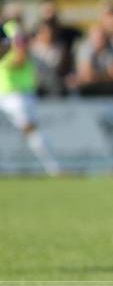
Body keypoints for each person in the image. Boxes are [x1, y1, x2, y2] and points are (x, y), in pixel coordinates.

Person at [0, 13, 61, 174]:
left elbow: (20, 57)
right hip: (5, 90)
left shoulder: (12, 28)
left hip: (16, 91)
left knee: (30, 130)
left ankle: (54, 167)